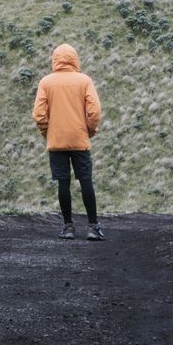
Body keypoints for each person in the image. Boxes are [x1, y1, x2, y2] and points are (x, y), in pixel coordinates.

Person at [32, 43, 103, 240]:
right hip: (80, 139)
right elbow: (94, 112)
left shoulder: (46, 82)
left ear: (55, 60)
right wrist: (89, 130)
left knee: (63, 182)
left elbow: (39, 115)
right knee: (86, 180)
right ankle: (93, 227)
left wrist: (48, 132)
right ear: (74, 58)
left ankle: (68, 227)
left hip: (56, 141)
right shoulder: (84, 80)